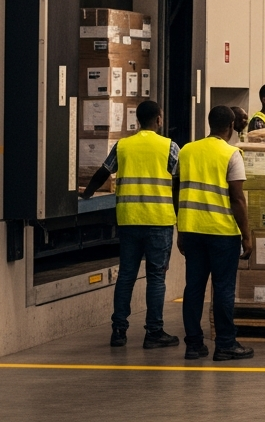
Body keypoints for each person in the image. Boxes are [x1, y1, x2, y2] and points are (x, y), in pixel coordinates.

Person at [77, 100, 180, 349]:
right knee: (156, 277)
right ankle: (154, 332)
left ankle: (119, 331)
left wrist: (88, 193)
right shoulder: (170, 146)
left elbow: (104, 171)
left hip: (129, 219)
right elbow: (179, 181)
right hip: (159, 220)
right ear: (158, 119)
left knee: (126, 276)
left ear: (137, 120)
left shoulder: (123, 145)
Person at [178, 106, 254, 361]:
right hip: (221, 232)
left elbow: (178, 190)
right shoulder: (231, 153)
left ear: (209, 123)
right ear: (231, 126)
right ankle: (225, 344)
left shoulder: (187, 150)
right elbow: (238, 199)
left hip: (191, 229)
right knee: (222, 288)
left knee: (194, 288)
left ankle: (194, 345)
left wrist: (180, 230)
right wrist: (247, 235)